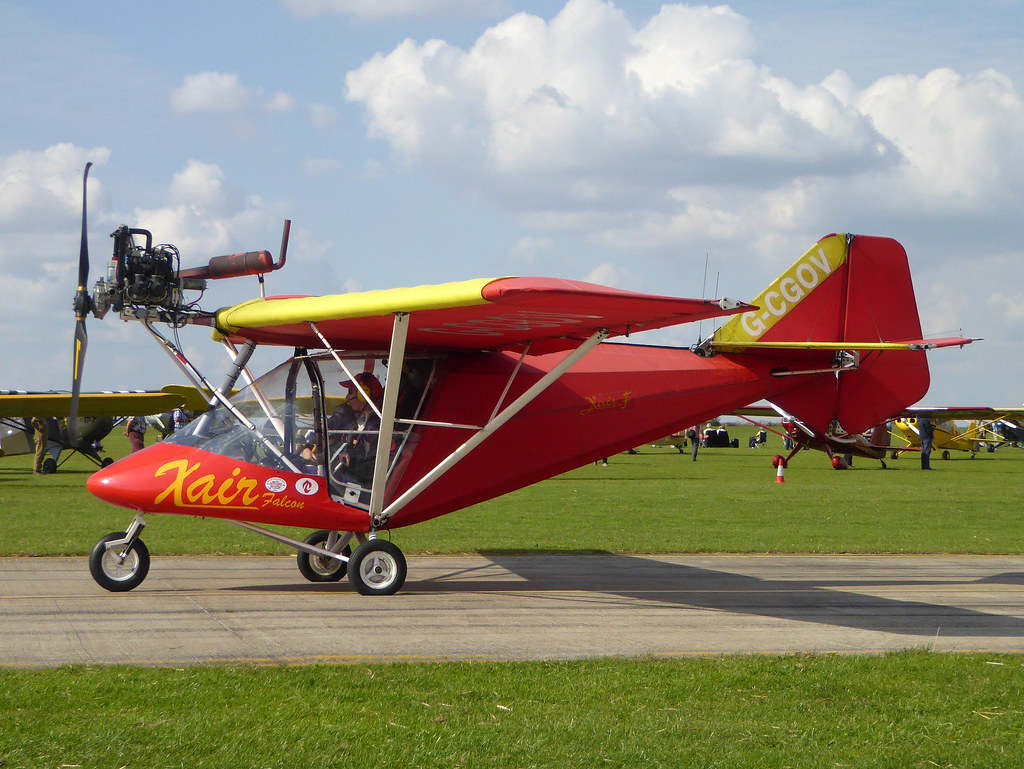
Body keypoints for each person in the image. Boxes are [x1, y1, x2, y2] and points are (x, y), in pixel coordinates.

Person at [332, 372, 383, 487]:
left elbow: (376, 469)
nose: (346, 397)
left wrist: (352, 462)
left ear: (363, 394)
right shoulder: (354, 420)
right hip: (344, 477)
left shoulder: (377, 428)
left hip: (358, 486)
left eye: (350, 392)